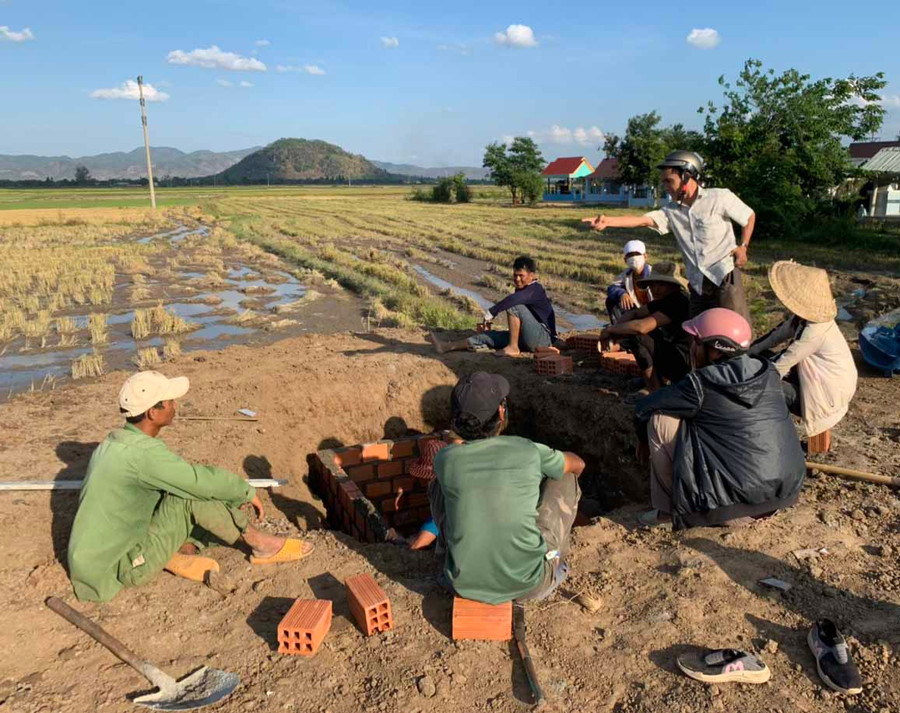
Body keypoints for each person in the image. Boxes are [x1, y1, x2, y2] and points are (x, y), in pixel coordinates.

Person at [67, 371, 313, 603]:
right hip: (119, 568)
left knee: (182, 491)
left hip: (95, 563)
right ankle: (261, 544)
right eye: (170, 402)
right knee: (190, 496)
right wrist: (244, 490)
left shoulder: (115, 443)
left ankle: (178, 549)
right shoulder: (142, 455)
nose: (175, 406)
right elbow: (198, 482)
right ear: (153, 412)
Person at [634, 308, 805, 529]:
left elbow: (644, 407)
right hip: (781, 498)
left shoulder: (701, 383)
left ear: (715, 350)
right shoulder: (768, 372)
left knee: (660, 421)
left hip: (730, 510)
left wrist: (641, 439)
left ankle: (668, 513)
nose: (692, 348)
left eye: (696, 341)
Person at [428, 372, 585, 604]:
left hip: (461, 585)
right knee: (565, 477)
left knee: (438, 485)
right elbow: (578, 464)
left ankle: (444, 551)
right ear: (501, 412)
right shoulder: (528, 450)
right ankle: (558, 556)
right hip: (530, 585)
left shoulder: (445, 459)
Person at [582, 150, 755, 324]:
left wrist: (743, 246)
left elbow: (748, 216)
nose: (665, 186)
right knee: (697, 332)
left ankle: (742, 352)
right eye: (663, 182)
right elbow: (643, 220)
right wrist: (608, 221)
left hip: (723, 275)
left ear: (687, 177)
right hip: (697, 284)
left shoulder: (719, 197)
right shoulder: (671, 211)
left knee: (732, 328)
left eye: (669, 181)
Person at [750, 260, 857, 438]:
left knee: (764, 385)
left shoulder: (814, 331)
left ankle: (767, 436)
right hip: (824, 382)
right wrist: (746, 352)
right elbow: (776, 336)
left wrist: (742, 378)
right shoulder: (804, 319)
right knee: (760, 359)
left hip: (826, 397)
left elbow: (780, 366)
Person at [431, 256, 557, 357]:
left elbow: (513, 300)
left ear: (532, 275)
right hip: (526, 337)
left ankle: (513, 347)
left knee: (514, 306)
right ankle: (446, 347)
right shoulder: (523, 289)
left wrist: (492, 312)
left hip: (542, 339)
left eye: (521, 276)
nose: (517, 279)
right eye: (515, 275)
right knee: (489, 336)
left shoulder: (535, 289)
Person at [599, 261, 691, 393]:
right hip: (675, 355)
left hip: (684, 362)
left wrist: (609, 330)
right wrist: (615, 333)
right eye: (653, 285)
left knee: (638, 336)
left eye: (661, 285)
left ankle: (654, 389)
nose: (655, 289)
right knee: (638, 332)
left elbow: (641, 327)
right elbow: (634, 313)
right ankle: (658, 380)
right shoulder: (662, 301)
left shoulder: (678, 301)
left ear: (673, 286)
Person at [605, 239, 653, 323]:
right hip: (639, 311)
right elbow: (612, 287)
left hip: (655, 312)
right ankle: (619, 328)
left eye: (637, 254)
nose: (634, 258)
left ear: (645, 256)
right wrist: (622, 294)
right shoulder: (627, 274)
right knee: (611, 300)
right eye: (630, 255)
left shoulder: (653, 273)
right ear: (625, 260)